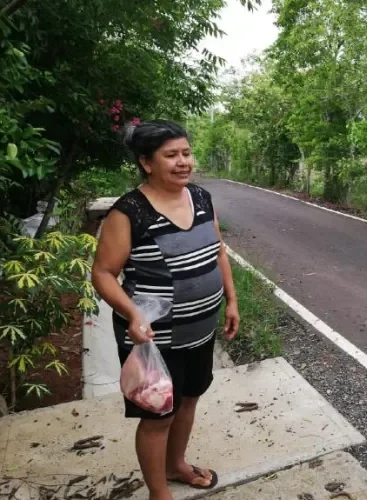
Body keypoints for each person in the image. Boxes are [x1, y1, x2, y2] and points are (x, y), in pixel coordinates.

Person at [91, 119, 240, 500]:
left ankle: (176, 465)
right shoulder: (129, 213)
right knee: (158, 416)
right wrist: (134, 314)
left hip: (200, 328)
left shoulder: (202, 198)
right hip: (152, 338)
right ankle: (159, 493)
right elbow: (104, 274)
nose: (183, 162)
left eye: (186, 153)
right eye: (170, 155)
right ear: (146, 162)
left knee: (189, 398)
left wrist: (231, 299)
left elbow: (217, 250)